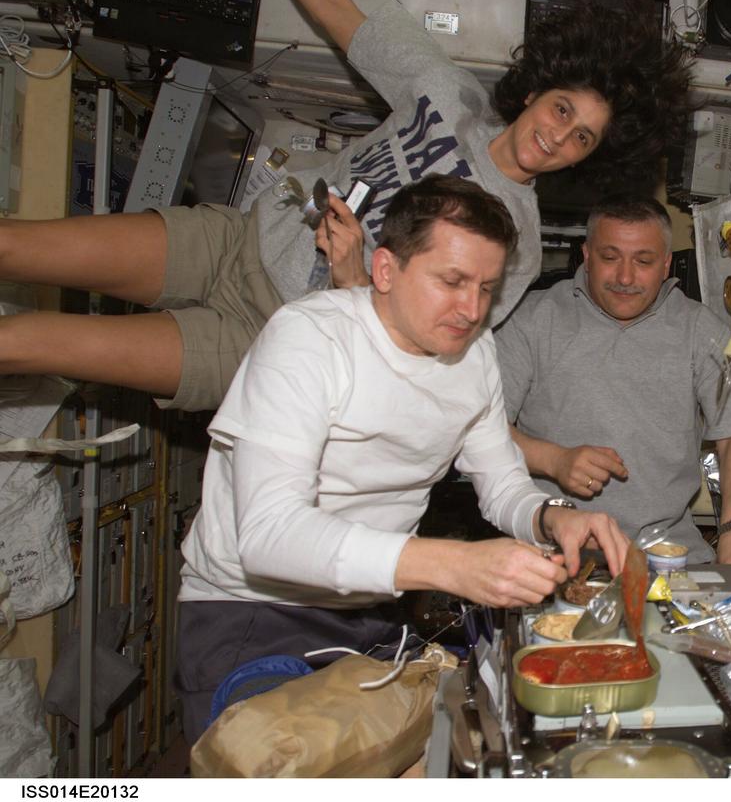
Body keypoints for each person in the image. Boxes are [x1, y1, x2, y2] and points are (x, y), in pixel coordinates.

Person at [0, 0, 692, 412]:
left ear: (590, 157)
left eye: (582, 138)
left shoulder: (519, 240)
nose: (558, 135)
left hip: (272, 343)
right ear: (542, 86)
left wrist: (356, 280)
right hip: (237, 240)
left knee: (25, 343)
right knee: (14, 243)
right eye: (562, 108)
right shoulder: (447, 95)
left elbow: (426, 349)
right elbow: (336, 11)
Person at [175, 175, 629, 743]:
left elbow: (502, 485)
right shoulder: (310, 339)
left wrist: (554, 517)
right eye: (453, 281)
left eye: (487, 288)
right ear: (386, 270)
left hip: (373, 611)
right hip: (253, 613)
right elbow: (268, 535)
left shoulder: (474, 356)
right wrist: (455, 566)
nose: (472, 309)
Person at [495, 197, 731, 565]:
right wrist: (553, 461)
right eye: (610, 257)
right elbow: (482, 432)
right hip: (554, 551)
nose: (625, 277)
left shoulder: (701, 331)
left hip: (667, 555)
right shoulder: (530, 321)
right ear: (586, 256)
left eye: (643, 261)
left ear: (666, 263)